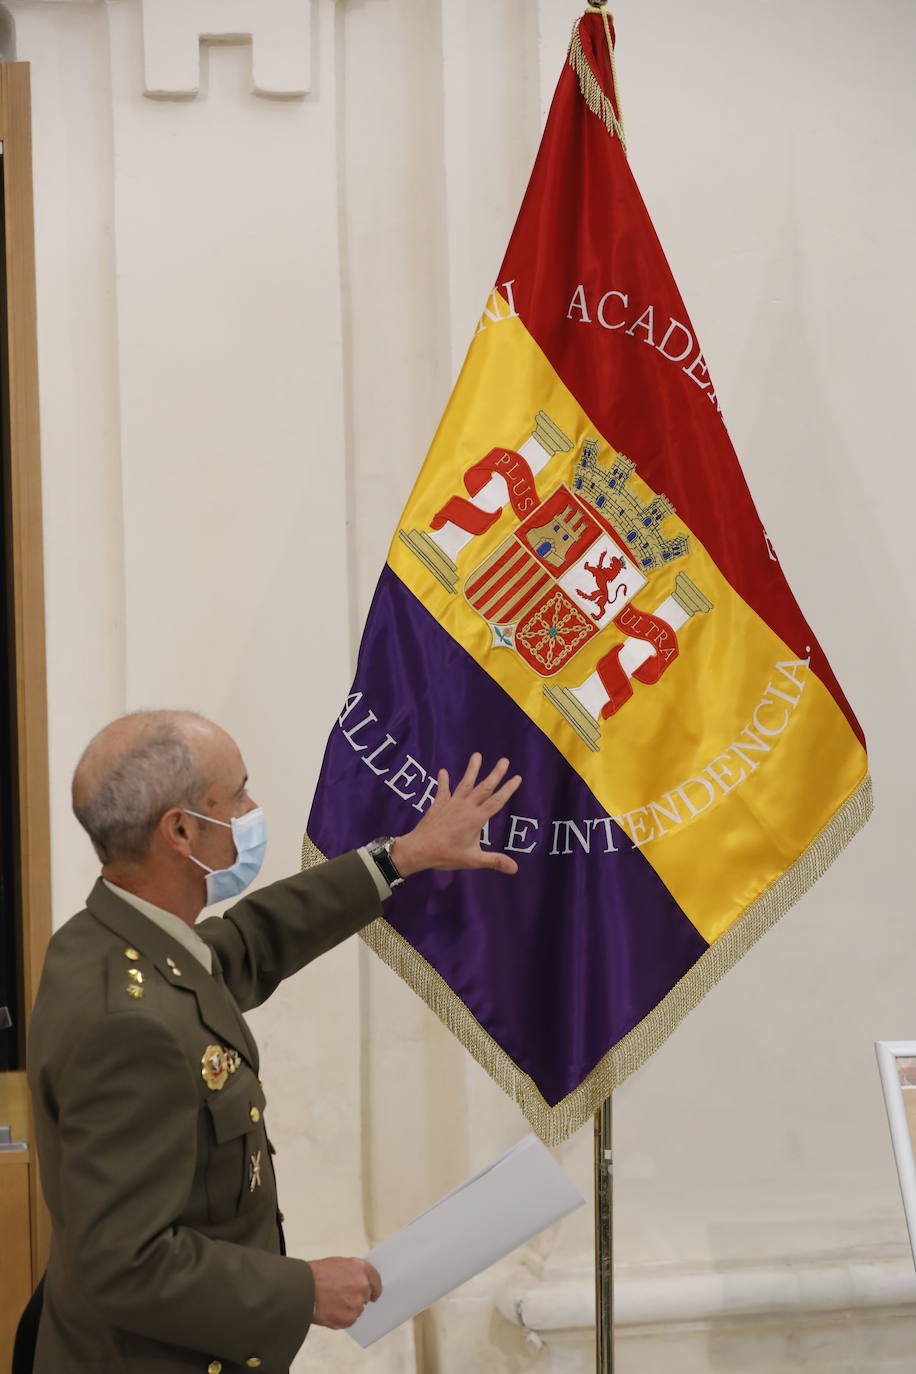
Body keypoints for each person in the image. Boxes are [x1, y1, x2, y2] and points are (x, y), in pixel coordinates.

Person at [25, 710, 521, 1374]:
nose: (252, 809)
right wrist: (303, 1290)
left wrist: (400, 856)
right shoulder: (128, 1022)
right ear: (180, 830)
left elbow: (248, 941)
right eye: (236, 796)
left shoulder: (109, 937)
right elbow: (127, 1262)